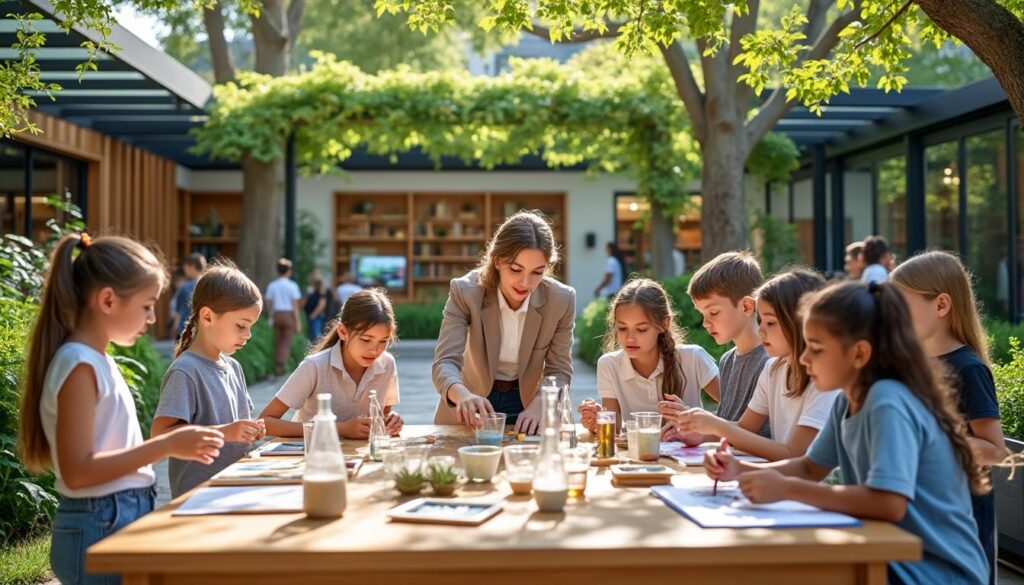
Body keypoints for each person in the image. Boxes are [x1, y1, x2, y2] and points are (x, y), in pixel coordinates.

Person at [705, 281, 989, 584]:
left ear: (859, 354)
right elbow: (810, 466)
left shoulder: (887, 401)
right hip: (886, 554)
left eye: (815, 348)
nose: (803, 358)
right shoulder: (847, 400)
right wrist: (738, 469)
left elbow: (889, 503)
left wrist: (785, 489)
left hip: (933, 571)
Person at [19, 233, 223, 585]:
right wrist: (168, 445)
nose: (151, 318)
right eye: (146, 306)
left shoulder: (96, 360)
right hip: (99, 522)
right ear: (108, 300)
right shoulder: (79, 364)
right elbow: (78, 471)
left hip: (114, 516)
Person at [891, 251, 1007, 584]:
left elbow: (995, 450)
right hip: (925, 513)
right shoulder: (914, 365)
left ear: (941, 305)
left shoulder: (969, 369)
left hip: (962, 519)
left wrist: (929, 438)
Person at [672, 268, 839, 460]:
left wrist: (717, 426)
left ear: (799, 322)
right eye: (760, 320)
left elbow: (795, 454)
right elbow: (744, 428)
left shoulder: (824, 382)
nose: (761, 330)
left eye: (770, 322)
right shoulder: (773, 369)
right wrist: (701, 430)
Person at [432, 210, 575, 434]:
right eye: (516, 269)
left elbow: (560, 370)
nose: (525, 283)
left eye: (537, 272)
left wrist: (542, 402)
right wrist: (463, 396)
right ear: (497, 260)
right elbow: (445, 362)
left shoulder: (561, 300)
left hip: (529, 405)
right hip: (471, 404)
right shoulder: (465, 291)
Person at [151, 263, 267, 498]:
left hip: (232, 490)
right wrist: (226, 432)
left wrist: (250, 431)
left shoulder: (234, 367)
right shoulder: (185, 371)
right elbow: (161, 434)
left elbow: (236, 427)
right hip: (196, 497)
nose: (248, 334)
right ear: (207, 316)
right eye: (241, 326)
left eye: (250, 327)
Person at [578, 278, 719, 442]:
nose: (630, 338)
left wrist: (693, 419)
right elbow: (614, 428)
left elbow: (736, 415)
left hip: (691, 461)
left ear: (664, 324)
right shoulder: (609, 364)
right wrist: (596, 421)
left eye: (641, 329)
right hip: (638, 461)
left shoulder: (693, 358)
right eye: (622, 328)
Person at [260, 288, 403, 438]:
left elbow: (380, 419)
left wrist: (391, 421)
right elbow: (265, 422)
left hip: (357, 457)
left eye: (383, 341)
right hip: (310, 455)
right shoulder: (314, 366)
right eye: (366, 340)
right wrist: (339, 429)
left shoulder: (387, 364)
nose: (375, 350)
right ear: (343, 332)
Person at [687, 251, 770, 436]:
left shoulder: (769, 362)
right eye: (702, 314)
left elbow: (753, 433)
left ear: (747, 307)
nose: (705, 323)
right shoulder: (727, 360)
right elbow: (726, 424)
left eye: (714, 312)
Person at [265, 258, 302, 376]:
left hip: (276, 315)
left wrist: (271, 315)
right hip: (288, 315)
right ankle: (280, 364)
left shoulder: (272, 285)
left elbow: (268, 302)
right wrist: (297, 321)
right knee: (286, 341)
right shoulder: (292, 285)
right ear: (289, 271)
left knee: (278, 340)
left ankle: (277, 365)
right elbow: (295, 305)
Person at [172, 253, 207, 338]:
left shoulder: (185, 287)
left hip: (185, 327)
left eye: (186, 267)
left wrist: (175, 326)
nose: (185, 270)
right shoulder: (208, 285)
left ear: (192, 266)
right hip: (203, 328)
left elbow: (179, 309)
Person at [304, 275, 334, 342]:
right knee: (314, 336)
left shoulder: (322, 293)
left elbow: (322, 304)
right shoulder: (316, 292)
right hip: (315, 316)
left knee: (316, 337)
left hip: (316, 316)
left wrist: (313, 314)